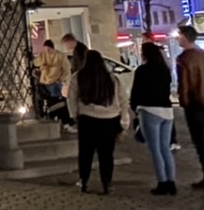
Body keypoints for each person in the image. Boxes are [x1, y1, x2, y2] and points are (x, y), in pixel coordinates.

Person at [67, 49, 129, 194]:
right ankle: (107, 183)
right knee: (106, 154)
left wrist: (74, 114)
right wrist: (123, 120)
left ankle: (84, 181)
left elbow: (72, 98)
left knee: (85, 153)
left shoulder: (78, 77)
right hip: (110, 119)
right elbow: (122, 100)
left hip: (87, 118)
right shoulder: (112, 79)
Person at [129, 41, 176, 195]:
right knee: (165, 148)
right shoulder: (165, 70)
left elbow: (136, 93)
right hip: (167, 111)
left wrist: (135, 108)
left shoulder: (142, 71)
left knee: (155, 149)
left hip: (149, 110)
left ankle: (162, 182)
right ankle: (171, 181)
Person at [175, 24, 204, 189]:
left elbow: (184, 85)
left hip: (194, 105)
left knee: (199, 140)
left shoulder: (183, 59)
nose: (177, 38)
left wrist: (183, 102)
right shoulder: (202, 55)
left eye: (179, 36)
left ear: (185, 37)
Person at [36, 40, 71, 122]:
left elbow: (66, 69)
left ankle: (58, 117)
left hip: (55, 82)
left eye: (49, 49)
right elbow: (37, 63)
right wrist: (41, 66)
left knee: (57, 100)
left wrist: (61, 78)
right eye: (46, 50)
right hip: (45, 82)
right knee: (50, 100)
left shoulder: (60, 56)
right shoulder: (43, 55)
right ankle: (53, 116)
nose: (47, 52)